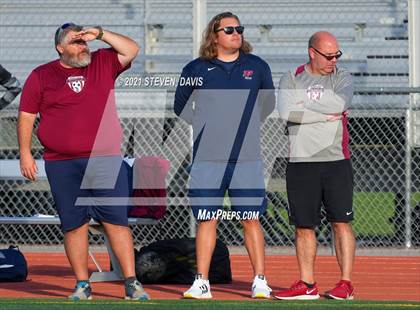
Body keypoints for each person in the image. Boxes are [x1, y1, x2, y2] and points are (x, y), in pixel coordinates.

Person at [18, 23, 149, 301]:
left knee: (116, 221)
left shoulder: (102, 62)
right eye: (75, 42)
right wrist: (25, 153)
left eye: (83, 41)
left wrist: (99, 34)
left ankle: (131, 282)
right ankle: (82, 284)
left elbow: (132, 49)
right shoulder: (42, 75)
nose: (82, 46)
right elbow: (27, 115)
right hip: (62, 162)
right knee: (74, 224)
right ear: (59, 48)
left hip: (105, 159)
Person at [174, 12, 275, 299]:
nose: (236, 33)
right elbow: (180, 106)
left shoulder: (257, 66)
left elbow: (267, 104)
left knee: (251, 218)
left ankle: (259, 281)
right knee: (207, 218)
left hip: (247, 157)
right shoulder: (195, 68)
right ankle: (202, 282)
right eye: (229, 29)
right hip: (208, 158)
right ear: (214, 35)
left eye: (239, 29)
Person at [275, 31, 355, 300]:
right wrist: (327, 114)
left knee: (341, 223)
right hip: (301, 162)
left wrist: (304, 103)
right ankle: (307, 283)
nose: (334, 60)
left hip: (336, 161)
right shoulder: (292, 77)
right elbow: (287, 113)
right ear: (312, 52)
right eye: (328, 55)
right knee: (303, 226)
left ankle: (345, 283)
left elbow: (340, 103)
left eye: (337, 55)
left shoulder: (342, 77)